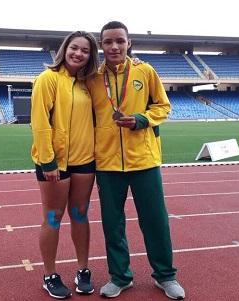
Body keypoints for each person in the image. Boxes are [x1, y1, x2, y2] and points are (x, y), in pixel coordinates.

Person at [86, 21, 186, 300]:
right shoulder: (92, 78)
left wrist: (143, 119)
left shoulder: (145, 70)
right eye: (108, 42)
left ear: (129, 43)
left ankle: (165, 276)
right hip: (106, 163)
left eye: (120, 40)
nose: (114, 46)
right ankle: (120, 277)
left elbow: (163, 105)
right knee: (112, 223)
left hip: (144, 159)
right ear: (101, 45)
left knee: (155, 220)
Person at [30, 31, 99, 299]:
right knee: (53, 217)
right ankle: (49, 274)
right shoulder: (48, 79)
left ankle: (83, 270)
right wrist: (48, 161)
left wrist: (133, 60)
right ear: (64, 49)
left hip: (85, 161)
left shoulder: (88, 83)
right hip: (54, 163)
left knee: (80, 214)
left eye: (85, 50)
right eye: (74, 48)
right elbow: (39, 122)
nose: (78, 53)